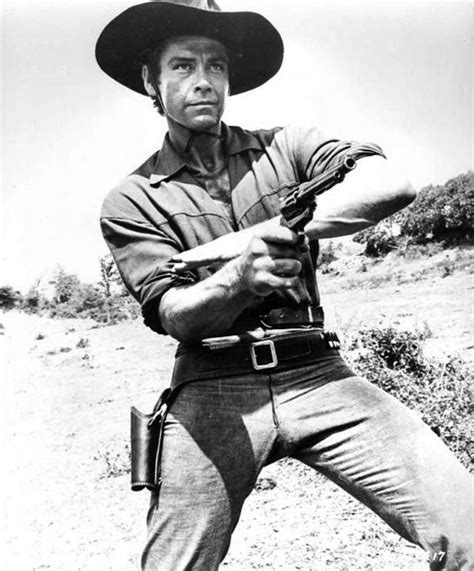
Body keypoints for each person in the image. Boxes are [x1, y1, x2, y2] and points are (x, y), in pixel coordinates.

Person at [96, 1, 473, 569]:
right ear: (151, 80)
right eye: (183, 66)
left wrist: (251, 238)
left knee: (467, 527)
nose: (204, 81)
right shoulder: (132, 198)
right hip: (213, 386)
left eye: (216, 65)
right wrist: (238, 279)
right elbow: (173, 313)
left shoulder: (288, 146)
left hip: (318, 372)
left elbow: (393, 183)